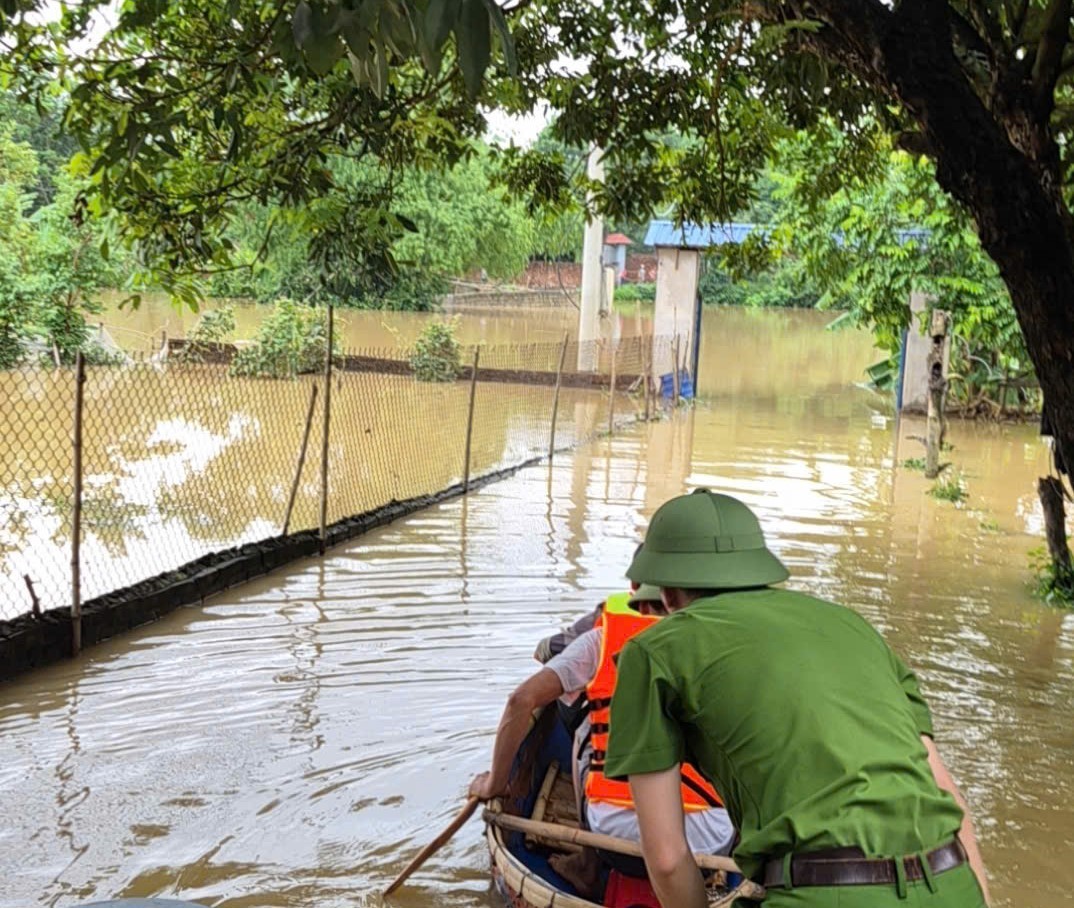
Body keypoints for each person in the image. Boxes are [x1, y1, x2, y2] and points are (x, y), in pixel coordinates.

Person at [605, 489, 991, 908]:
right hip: (954, 882)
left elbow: (665, 859)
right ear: (759, 571)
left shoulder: (654, 650)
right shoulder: (852, 625)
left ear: (667, 594)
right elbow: (951, 801)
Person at [470, 584, 733, 899]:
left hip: (614, 833)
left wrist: (495, 784)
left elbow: (521, 700)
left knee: (587, 728)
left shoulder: (603, 635)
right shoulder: (726, 642)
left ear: (638, 591)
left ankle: (588, 864)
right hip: (713, 839)